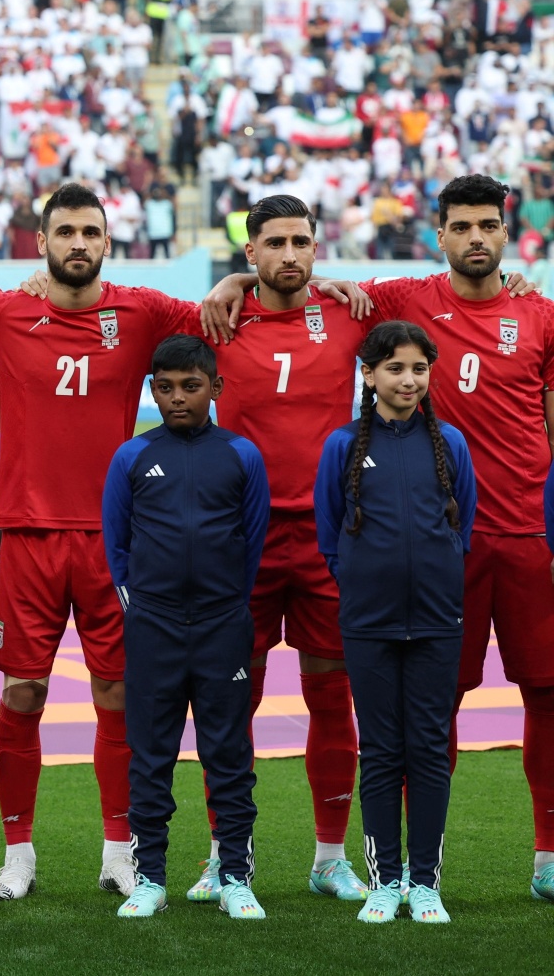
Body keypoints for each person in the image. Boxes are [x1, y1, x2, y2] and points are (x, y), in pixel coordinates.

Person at [205, 172, 554, 899]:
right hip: (388, 543)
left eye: (488, 225)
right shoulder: (400, 297)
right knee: (417, 707)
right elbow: (298, 278)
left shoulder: (538, 311)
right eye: (462, 226)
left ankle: (536, 856)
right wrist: (238, 277)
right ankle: (358, 866)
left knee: (540, 694)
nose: (476, 238)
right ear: (438, 234)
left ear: (506, 229)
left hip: (518, 533)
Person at [0, 182, 200, 900]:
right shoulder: (3, 309)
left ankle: (119, 849)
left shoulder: (142, 310)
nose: (78, 243)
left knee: (117, 694)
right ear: (41, 242)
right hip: (28, 534)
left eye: (91, 231)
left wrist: (242, 274)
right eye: (65, 232)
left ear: (108, 241)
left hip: (117, 540)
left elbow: (222, 316)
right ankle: (18, 852)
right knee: (23, 692)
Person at [199, 194, 369, 903]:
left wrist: (515, 281)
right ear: (251, 254)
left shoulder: (354, 314)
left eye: (302, 241)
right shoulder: (215, 318)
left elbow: (448, 288)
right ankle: (224, 856)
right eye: (275, 243)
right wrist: (223, 288)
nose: (290, 254)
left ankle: (330, 858)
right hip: (242, 542)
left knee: (332, 696)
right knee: (231, 701)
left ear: (317, 248)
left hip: (330, 541)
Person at [102, 335, 269, 921]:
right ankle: (149, 878)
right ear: (152, 390)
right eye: (166, 387)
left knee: (229, 752)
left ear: (216, 389)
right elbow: (116, 543)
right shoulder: (132, 456)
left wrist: (226, 603)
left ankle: (235, 876)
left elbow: (251, 540)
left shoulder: (241, 455)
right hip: (154, 625)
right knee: (151, 753)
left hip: (224, 625)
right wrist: (141, 606)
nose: (178, 398)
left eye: (191, 387)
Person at [314, 321, 476, 925]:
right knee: (382, 752)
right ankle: (385, 883)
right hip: (368, 622)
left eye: (418, 370)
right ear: (369, 373)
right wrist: (360, 580)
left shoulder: (451, 444)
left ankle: (425, 882)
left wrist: (436, 580)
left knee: (429, 751)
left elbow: (463, 526)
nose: (408, 380)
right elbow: (329, 531)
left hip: (438, 620)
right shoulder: (343, 446)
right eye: (395, 369)